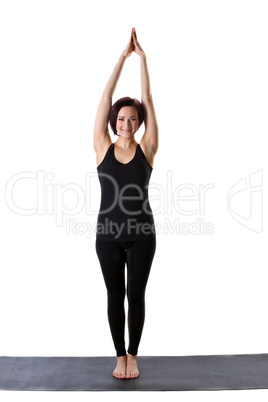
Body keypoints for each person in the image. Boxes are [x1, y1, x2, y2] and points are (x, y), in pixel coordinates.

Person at [93, 27, 159, 380]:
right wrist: (122, 58)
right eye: (121, 119)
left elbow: (148, 99)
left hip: (142, 235)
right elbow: (105, 97)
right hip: (107, 236)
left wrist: (143, 60)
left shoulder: (147, 149)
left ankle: (133, 355)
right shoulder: (102, 147)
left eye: (132, 119)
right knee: (114, 295)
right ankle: (119, 356)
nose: (127, 123)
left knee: (136, 295)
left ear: (139, 123)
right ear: (114, 123)